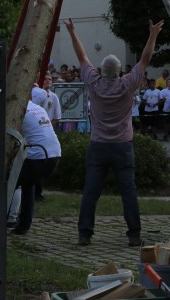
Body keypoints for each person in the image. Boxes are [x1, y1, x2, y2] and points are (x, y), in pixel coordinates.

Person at [65, 17, 164, 246]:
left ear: (101, 70)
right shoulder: (127, 84)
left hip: (98, 145)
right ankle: (134, 235)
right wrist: (153, 35)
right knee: (128, 191)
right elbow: (146, 59)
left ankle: (84, 234)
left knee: (91, 191)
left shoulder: (93, 82)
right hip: (122, 145)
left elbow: (82, 57)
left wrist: (72, 32)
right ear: (120, 72)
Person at [12, 99, 62, 235]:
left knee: (7, 185)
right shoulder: (37, 108)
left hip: (39, 156)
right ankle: (23, 225)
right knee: (28, 184)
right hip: (54, 153)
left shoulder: (17, 109)